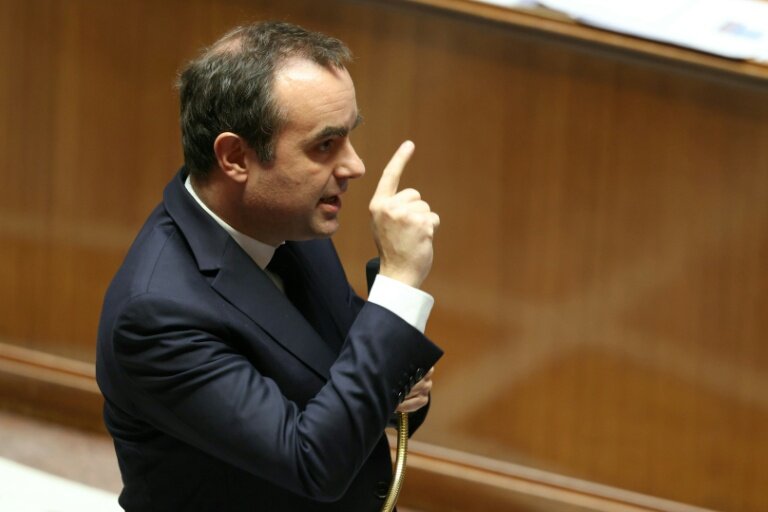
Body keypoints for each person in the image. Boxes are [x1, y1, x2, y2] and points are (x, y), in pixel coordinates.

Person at [96, 21, 443, 511]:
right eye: (325, 145)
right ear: (236, 157)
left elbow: (359, 385)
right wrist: (399, 282)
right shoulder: (156, 315)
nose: (354, 166)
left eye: (349, 136)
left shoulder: (287, 225)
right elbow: (314, 462)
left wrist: (394, 381)